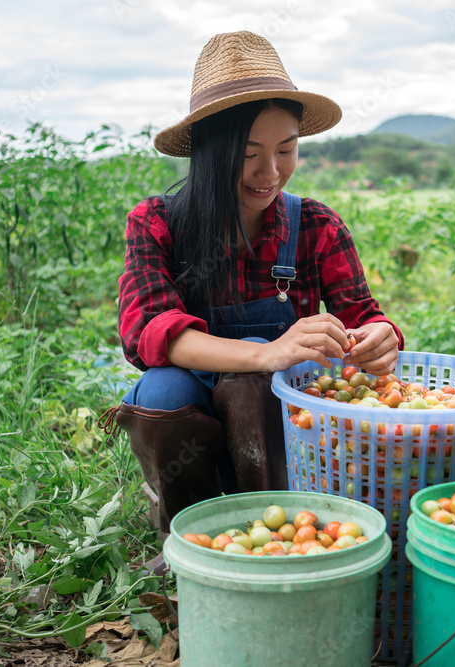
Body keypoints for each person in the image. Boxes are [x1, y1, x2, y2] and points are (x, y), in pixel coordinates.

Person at [99, 31, 403, 574]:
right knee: (164, 389)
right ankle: (188, 534)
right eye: (248, 156)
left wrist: (380, 338)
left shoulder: (315, 226)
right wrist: (266, 352)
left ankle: (281, 524)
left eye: (286, 150)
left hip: (280, 427)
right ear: (212, 154)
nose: (271, 173)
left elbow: (363, 315)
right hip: (199, 399)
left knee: (256, 382)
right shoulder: (158, 223)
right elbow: (149, 332)